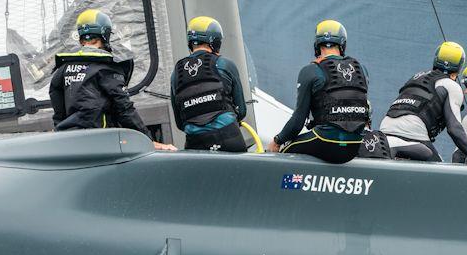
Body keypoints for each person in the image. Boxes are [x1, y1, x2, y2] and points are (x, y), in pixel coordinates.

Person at [49, 9, 176, 151]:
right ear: (105, 35)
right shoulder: (106, 69)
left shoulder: (62, 70)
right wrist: (148, 140)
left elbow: (58, 112)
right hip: (100, 143)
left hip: (69, 143)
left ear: (81, 38)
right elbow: (124, 108)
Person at [379, 42, 467, 172]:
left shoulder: (416, 77)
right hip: (413, 137)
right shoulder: (452, 86)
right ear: (458, 68)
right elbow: (454, 129)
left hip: (384, 134)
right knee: (441, 172)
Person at [266, 20, 369, 164]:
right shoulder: (361, 70)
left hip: (325, 141)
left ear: (317, 45)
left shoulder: (311, 71)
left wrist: (277, 141)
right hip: (353, 147)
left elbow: (298, 121)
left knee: (283, 149)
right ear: (342, 44)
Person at [170, 16, 248, 152]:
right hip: (228, 137)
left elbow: (179, 122)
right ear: (214, 42)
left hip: (194, 144)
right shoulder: (225, 64)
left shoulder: (176, 73)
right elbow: (241, 111)